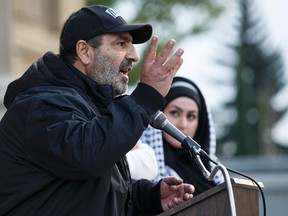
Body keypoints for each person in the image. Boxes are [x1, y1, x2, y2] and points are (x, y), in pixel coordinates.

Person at [0, 5, 195, 216]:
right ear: (84, 52)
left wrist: (149, 197)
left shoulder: (91, 110)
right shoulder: (40, 105)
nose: (134, 55)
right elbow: (86, 156)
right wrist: (145, 98)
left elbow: (88, 191)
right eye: (121, 43)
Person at [141, 76, 224, 196]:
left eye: (191, 116)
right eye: (175, 113)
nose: (183, 125)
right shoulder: (145, 169)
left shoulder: (213, 172)